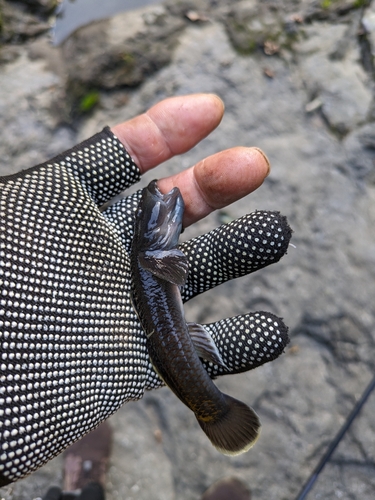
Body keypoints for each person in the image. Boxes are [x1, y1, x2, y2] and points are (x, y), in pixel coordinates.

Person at [0, 93, 292, 497]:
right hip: (167, 319)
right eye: (153, 210)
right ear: (159, 248)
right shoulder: (156, 256)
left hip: (165, 314)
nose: (160, 200)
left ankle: (85, 485)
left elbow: (156, 255)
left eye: (151, 208)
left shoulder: (157, 257)